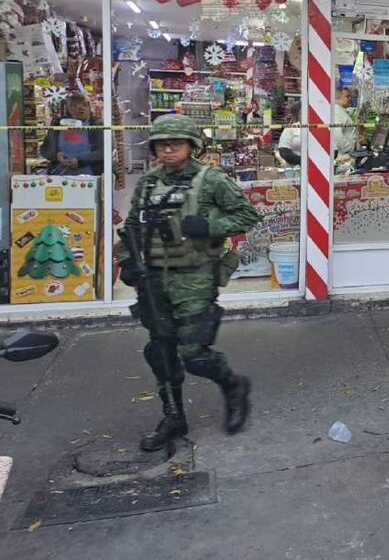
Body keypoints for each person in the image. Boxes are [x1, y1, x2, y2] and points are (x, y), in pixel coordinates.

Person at [119, 114, 261, 452]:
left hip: (194, 275)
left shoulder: (210, 181)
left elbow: (248, 215)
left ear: (191, 146)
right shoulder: (148, 184)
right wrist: (128, 261)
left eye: (176, 143)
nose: (168, 149)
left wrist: (209, 227)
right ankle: (173, 415)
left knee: (193, 352)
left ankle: (233, 386)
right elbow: (132, 228)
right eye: (161, 144)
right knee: (161, 350)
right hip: (153, 277)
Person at [40, 92, 104, 176]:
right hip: (59, 176)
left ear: (89, 108)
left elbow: (104, 151)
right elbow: (45, 149)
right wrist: (56, 155)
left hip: (90, 176)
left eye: (85, 105)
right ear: (68, 108)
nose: (80, 108)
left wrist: (80, 161)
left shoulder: (97, 125)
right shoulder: (57, 125)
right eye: (74, 105)